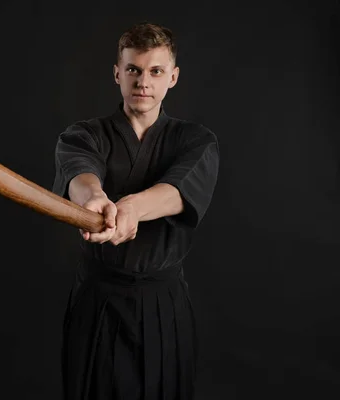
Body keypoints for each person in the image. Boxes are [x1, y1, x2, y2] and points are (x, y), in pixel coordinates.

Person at [52, 22, 220, 400]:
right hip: (97, 300)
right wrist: (93, 199)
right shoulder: (83, 134)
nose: (143, 81)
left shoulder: (196, 141)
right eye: (133, 69)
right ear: (117, 74)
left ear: (173, 77)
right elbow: (80, 175)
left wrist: (128, 208)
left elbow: (177, 192)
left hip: (163, 302)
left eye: (155, 71)